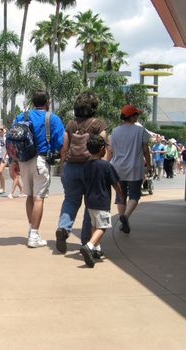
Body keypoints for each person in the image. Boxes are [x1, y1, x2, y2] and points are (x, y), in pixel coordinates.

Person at [11, 90, 64, 248]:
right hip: (40, 160)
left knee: (29, 196)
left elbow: (13, 139)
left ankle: (31, 230)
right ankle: (34, 235)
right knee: (38, 198)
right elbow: (60, 142)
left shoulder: (22, 116)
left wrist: (13, 161)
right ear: (47, 101)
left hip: (23, 160)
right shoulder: (52, 118)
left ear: (32, 102)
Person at [55, 91, 107, 253]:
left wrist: (64, 165)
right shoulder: (99, 124)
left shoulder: (70, 124)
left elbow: (64, 147)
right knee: (89, 205)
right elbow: (103, 147)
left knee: (70, 200)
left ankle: (63, 228)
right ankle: (86, 240)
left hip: (71, 166)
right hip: (90, 167)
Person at [106, 104, 151, 235]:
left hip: (117, 168)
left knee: (121, 195)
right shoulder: (140, 130)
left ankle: (122, 222)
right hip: (134, 168)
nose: (137, 116)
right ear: (132, 117)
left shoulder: (115, 131)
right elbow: (145, 150)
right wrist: (148, 164)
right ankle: (125, 216)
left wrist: (106, 164)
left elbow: (110, 151)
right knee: (135, 195)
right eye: (136, 114)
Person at [80, 135, 123, 267]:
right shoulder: (106, 165)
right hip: (101, 201)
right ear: (102, 149)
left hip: (89, 201)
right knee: (102, 227)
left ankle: (96, 250)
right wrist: (120, 195)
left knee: (94, 225)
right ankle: (89, 246)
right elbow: (115, 183)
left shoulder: (86, 165)